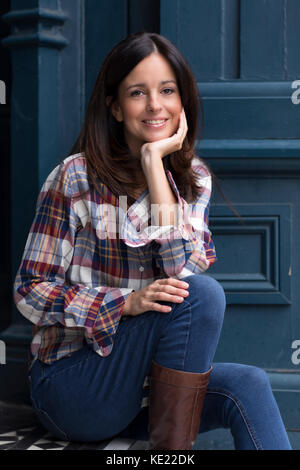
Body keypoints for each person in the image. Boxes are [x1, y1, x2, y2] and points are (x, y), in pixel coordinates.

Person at [14, 32, 292, 450]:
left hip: (149, 395)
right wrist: (123, 303)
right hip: (74, 385)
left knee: (247, 384)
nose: (155, 106)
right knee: (204, 294)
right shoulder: (75, 177)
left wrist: (153, 165)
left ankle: (169, 451)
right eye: (137, 93)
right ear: (115, 106)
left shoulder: (194, 180)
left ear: (183, 100)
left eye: (167, 90)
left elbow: (180, 273)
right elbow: (29, 292)